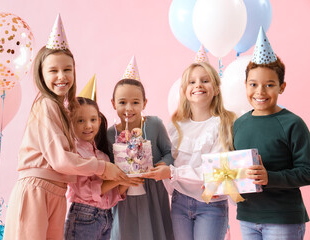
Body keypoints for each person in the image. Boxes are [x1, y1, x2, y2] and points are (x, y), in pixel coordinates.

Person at [3, 14, 126, 240]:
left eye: (67, 69)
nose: (62, 76)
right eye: (53, 70)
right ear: (41, 73)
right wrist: (102, 167)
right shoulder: (46, 105)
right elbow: (61, 160)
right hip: (36, 191)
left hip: (57, 192)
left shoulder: (62, 109)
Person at [144, 61, 236, 240]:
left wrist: (172, 172)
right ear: (185, 90)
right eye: (191, 82)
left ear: (217, 89)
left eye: (205, 80)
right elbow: (168, 159)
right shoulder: (176, 126)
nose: (198, 85)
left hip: (210, 204)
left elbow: (215, 171)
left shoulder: (224, 124)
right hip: (180, 201)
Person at [233, 27, 310, 240]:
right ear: (245, 85)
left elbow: (307, 171)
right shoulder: (239, 124)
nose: (260, 92)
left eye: (269, 85)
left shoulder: (293, 124)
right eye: (253, 84)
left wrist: (270, 177)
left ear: (281, 87)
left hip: (283, 218)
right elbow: (234, 169)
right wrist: (219, 183)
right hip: (248, 217)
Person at [64, 97, 142, 240]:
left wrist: (128, 180)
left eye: (93, 120)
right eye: (80, 120)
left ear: (99, 121)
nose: (88, 126)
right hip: (83, 216)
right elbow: (86, 191)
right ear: (70, 123)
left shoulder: (103, 156)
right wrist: (120, 177)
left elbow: (112, 195)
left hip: (106, 216)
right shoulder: (74, 154)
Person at [108, 78, 174, 240]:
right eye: (122, 102)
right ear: (113, 103)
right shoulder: (109, 135)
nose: (128, 108)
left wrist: (161, 165)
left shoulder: (155, 125)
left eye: (135, 102)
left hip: (153, 195)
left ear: (144, 103)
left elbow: (170, 153)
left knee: (156, 233)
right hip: (123, 199)